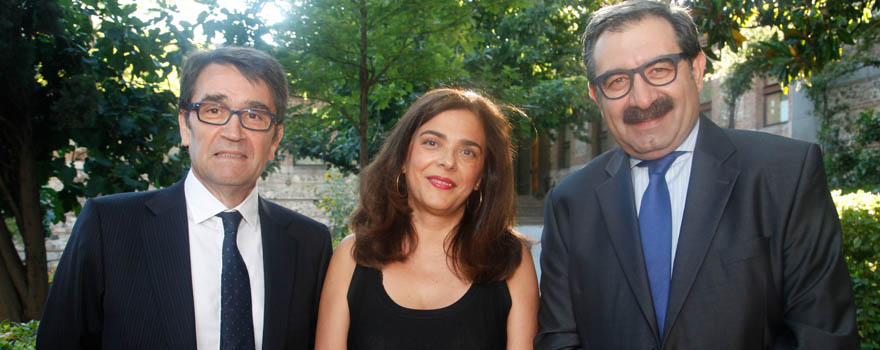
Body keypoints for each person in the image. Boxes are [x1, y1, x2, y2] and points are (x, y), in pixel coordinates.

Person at [535, 1, 859, 349]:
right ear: (596, 96)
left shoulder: (786, 175)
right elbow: (559, 340)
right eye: (616, 81)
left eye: (659, 70)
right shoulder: (570, 203)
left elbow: (822, 335)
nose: (642, 99)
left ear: (697, 68)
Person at [36, 47, 332, 349]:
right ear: (185, 126)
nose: (233, 132)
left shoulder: (310, 244)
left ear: (275, 140)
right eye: (214, 110)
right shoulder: (108, 227)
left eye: (254, 115)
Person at [315, 88, 539, 350]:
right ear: (402, 157)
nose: (447, 162)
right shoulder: (350, 257)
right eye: (432, 142)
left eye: (467, 152)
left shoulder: (512, 260)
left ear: (481, 177)